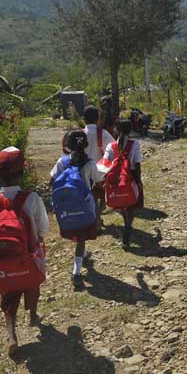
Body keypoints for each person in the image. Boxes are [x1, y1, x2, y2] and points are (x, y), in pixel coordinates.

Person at [0, 147, 49, 356]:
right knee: (32, 283)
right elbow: (44, 229)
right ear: (22, 172)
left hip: (4, 261)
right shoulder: (32, 198)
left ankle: (11, 335)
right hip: (28, 257)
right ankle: (32, 315)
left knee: (8, 297)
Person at [50, 129, 103, 289]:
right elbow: (99, 183)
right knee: (81, 237)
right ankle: (76, 273)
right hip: (85, 205)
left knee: (77, 233)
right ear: (85, 144)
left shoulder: (62, 161)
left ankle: (84, 255)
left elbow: (51, 181)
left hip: (66, 206)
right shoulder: (90, 163)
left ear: (67, 145)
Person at [99, 118, 144, 248]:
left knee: (121, 203)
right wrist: (139, 182)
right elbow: (137, 164)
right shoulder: (134, 145)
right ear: (130, 131)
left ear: (116, 130)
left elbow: (105, 164)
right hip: (131, 177)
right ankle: (127, 230)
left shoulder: (110, 146)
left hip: (115, 179)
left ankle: (125, 224)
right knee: (131, 205)